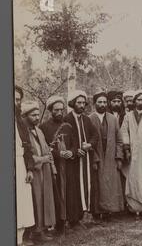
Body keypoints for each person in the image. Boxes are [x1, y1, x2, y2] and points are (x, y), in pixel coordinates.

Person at [22, 101, 56, 242]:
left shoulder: (39, 131)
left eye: (37, 114)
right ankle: (32, 232)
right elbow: (27, 154)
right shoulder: (23, 132)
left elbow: (47, 150)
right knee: (34, 200)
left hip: (44, 171)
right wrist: (42, 159)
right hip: (32, 171)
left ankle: (42, 229)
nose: (36, 117)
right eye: (33, 115)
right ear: (25, 116)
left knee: (44, 199)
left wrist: (52, 167)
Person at [63, 90, 98, 229]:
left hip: (85, 160)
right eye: (79, 102)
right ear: (73, 103)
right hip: (72, 161)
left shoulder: (86, 119)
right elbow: (65, 138)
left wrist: (89, 144)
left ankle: (81, 216)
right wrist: (75, 149)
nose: (82, 105)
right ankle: (73, 219)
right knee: (73, 188)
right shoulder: (67, 119)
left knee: (84, 185)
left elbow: (95, 135)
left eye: (83, 103)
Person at [89, 91, 124, 221]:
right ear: (95, 104)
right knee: (97, 185)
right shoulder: (89, 119)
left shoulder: (112, 118)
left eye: (104, 102)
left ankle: (110, 212)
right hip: (97, 157)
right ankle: (97, 213)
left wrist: (119, 157)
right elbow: (88, 140)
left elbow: (119, 140)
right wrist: (94, 159)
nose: (102, 105)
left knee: (111, 184)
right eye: (100, 102)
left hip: (111, 157)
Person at [40, 95, 72, 235]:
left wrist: (70, 152)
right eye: (56, 110)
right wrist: (59, 154)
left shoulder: (68, 125)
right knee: (56, 193)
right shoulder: (44, 127)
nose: (59, 113)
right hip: (53, 166)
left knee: (68, 192)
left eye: (61, 110)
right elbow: (45, 147)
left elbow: (74, 142)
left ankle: (67, 220)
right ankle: (57, 223)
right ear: (50, 110)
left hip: (69, 165)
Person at [14, 85, 35, 246]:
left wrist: (29, 168)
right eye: (14, 99)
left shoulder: (20, 122)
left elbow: (27, 147)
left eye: (18, 99)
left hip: (20, 164)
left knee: (21, 200)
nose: (16, 102)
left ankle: (19, 239)